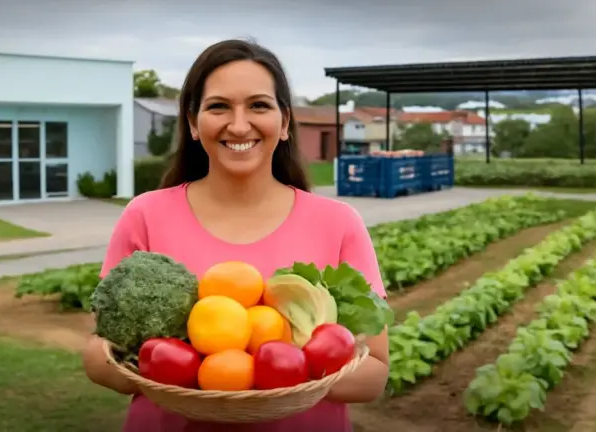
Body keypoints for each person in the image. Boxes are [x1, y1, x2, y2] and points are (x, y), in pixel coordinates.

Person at [82, 38, 389, 432]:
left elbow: (375, 373)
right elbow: (97, 351)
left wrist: (283, 379)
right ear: (193, 124)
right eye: (218, 106)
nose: (239, 124)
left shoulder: (338, 222)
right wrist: (178, 376)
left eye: (259, 105)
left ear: (285, 123)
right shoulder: (145, 214)